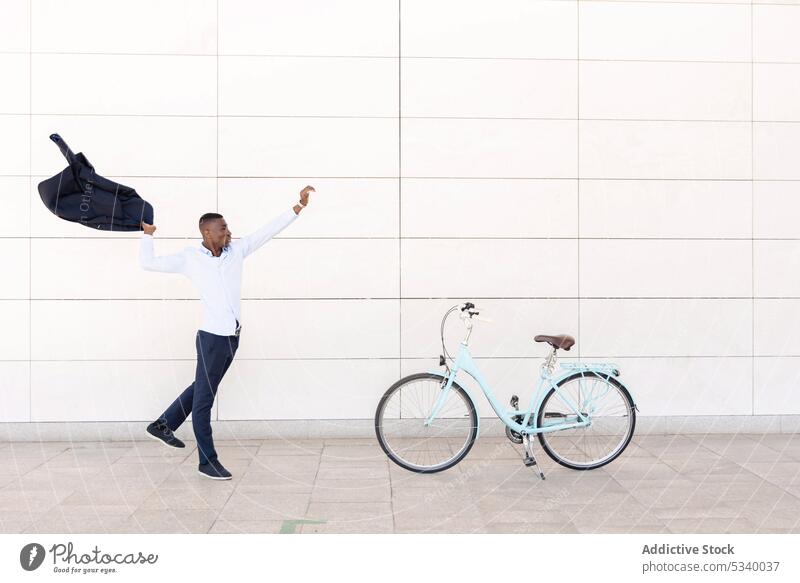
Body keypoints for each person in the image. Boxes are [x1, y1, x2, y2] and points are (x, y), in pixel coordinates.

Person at [139, 185, 315, 480]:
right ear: (207, 233)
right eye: (222, 228)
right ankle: (207, 462)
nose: (228, 232)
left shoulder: (236, 251)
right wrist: (147, 234)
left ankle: (162, 424)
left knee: (200, 389)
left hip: (232, 338)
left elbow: (265, 232)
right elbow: (148, 263)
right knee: (204, 401)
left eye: (228, 227)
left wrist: (297, 207)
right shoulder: (190, 257)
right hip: (211, 339)